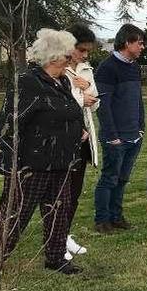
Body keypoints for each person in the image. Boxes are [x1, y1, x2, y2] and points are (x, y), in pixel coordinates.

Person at [0, 29, 85, 287]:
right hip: (32, 166)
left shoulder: (62, 82)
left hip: (61, 162)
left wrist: (77, 130)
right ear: (55, 57)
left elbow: (67, 112)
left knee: (58, 213)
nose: (72, 61)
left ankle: (56, 257)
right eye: (68, 57)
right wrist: (9, 165)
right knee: (14, 218)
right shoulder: (27, 82)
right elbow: (8, 124)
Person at [93, 24, 146, 234]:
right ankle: (102, 220)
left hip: (134, 135)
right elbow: (103, 106)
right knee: (109, 178)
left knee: (122, 179)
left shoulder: (134, 66)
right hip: (115, 137)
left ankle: (116, 217)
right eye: (139, 43)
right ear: (127, 43)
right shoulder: (107, 68)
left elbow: (138, 100)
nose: (143, 47)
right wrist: (112, 136)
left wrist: (141, 127)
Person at [64, 23, 100, 261]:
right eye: (82, 50)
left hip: (84, 137)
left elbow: (95, 102)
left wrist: (88, 94)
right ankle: (55, 239)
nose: (85, 55)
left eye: (88, 51)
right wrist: (79, 96)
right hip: (63, 138)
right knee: (59, 193)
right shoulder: (55, 68)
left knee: (74, 191)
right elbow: (57, 102)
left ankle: (65, 235)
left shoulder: (87, 70)